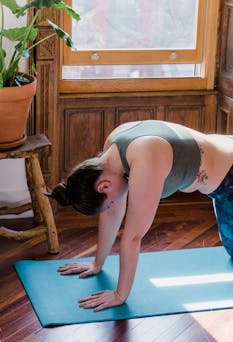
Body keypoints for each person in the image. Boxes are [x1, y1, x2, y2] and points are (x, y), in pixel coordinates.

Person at [50, 119, 233, 312]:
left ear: (104, 186)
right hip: (222, 176)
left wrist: (120, 295)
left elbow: (133, 237)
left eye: (110, 201)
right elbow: (112, 214)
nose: (113, 204)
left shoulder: (146, 158)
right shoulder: (113, 149)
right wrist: (97, 263)